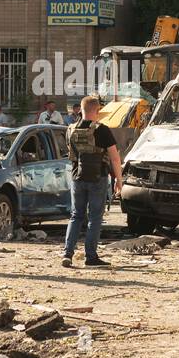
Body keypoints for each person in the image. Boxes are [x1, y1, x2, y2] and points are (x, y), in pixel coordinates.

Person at [63, 95, 122, 268]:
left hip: (77, 177)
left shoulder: (70, 129)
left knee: (76, 215)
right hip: (98, 177)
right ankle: (91, 257)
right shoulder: (102, 129)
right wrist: (119, 180)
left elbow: (72, 155)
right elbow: (115, 158)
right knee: (95, 218)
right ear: (97, 110)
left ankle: (67, 253)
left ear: (81, 109)